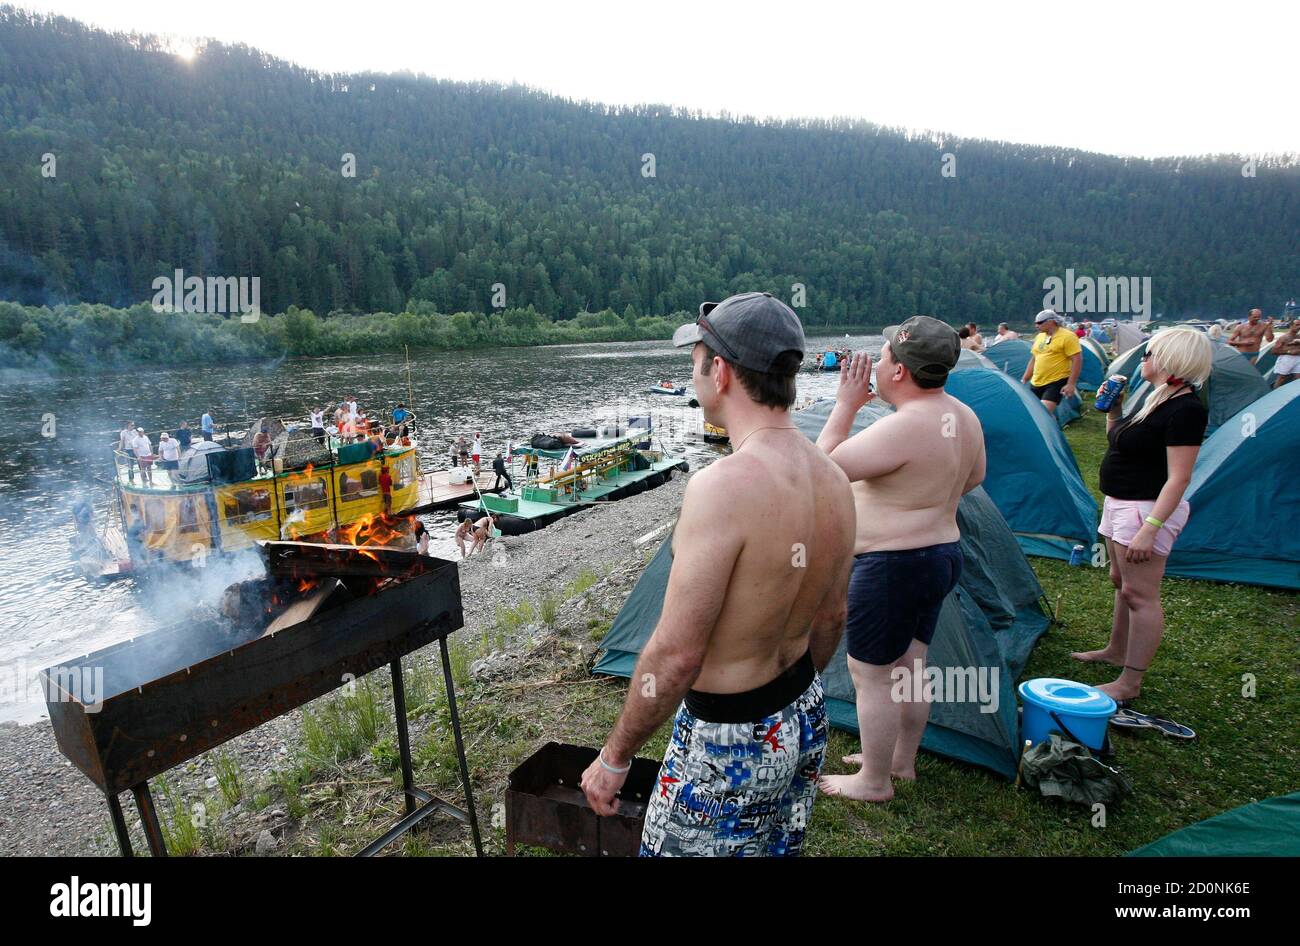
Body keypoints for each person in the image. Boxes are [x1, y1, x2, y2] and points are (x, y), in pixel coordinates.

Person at [580, 291, 855, 856]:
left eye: (695, 357)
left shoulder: (722, 487)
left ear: (721, 371)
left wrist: (616, 756)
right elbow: (832, 617)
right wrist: (786, 691)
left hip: (726, 745)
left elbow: (676, 655)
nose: (692, 370)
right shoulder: (832, 479)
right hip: (802, 713)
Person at [815, 316, 985, 802]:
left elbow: (822, 472)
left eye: (886, 354)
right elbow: (974, 476)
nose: (881, 360)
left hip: (891, 566)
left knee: (871, 676)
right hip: (940, 556)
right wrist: (920, 494)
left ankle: (873, 782)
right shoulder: (962, 416)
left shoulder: (905, 426)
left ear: (900, 373)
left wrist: (845, 406)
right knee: (911, 666)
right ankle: (899, 762)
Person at [1071, 328, 1212, 703]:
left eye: (1150, 353)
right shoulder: (1157, 397)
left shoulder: (1186, 409)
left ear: (1172, 360)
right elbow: (1121, 441)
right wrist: (1113, 410)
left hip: (1145, 510)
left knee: (1140, 593)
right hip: (1121, 504)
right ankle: (1116, 651)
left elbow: (1180, 477)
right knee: (1121, 581)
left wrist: (1151, 528)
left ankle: (1130, 682)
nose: (1144, 358)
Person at [1022, 309, 1082, 414]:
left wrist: (1071, 384)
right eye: (1035, 323)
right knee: (1033, 414)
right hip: (1036, 381)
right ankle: (1052, 430)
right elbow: (1034, 359)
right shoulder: (1039, 336)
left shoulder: (1068, 336)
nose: (1036, 325)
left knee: (1043, 413)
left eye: (1039, 323)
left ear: (1051, 321)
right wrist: (1025, 379)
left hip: (1056, 381)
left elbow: (1077, 359)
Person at [1269, 320, 1300, 387]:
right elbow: (1273, 351)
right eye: (1297, 325)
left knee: (1298, 378)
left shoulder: (1298, 337)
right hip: (1286, 359)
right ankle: (1275, 393)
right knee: (1281, 378)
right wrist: (1289, 352)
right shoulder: (1284, 337)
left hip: (1298, 359)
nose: (1299, 327)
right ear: (1291, 326)